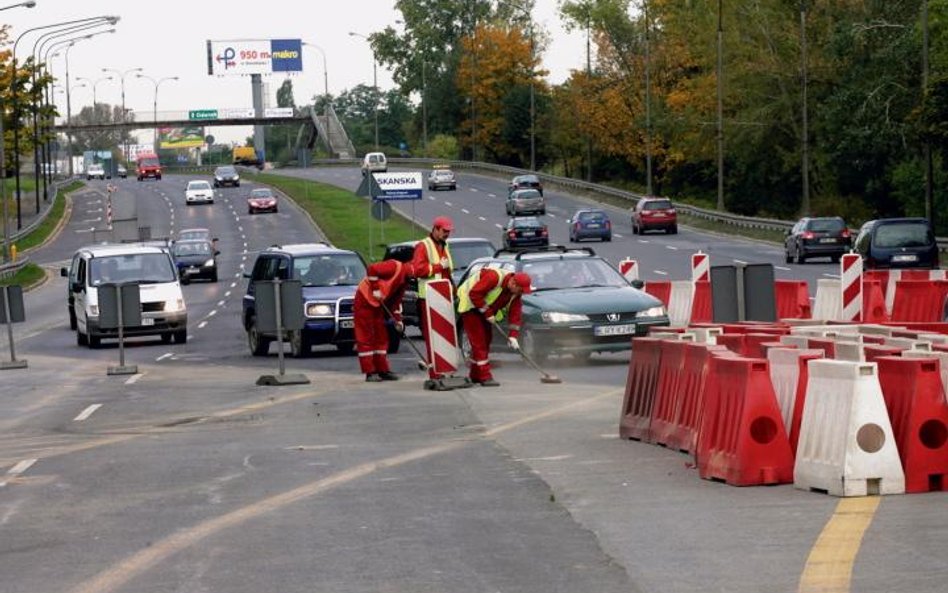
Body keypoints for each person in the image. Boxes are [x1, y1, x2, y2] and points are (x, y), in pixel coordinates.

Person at [456, 268, 532, 387]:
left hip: (484, 310)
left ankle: (475, 375)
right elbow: (474, 294)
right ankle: (485, 376)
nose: (520, 293)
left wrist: (513, 336)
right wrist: (487, 312)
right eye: (520, 290)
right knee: (479, 342)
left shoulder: (515, 293)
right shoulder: (493, 277)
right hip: (470, 307)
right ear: (513, 283)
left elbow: (515, 314)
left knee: (486, 340)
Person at [353, 259, 414, 382]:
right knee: (366, 337)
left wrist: (398, 320)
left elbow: (395, 302)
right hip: (365, 300)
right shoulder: (394, 266)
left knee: (381, 337)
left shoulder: (404, 281)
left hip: (378, 305)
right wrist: (375, 289)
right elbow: (372, 269)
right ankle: (370, 372)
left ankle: (382, 370)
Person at [411, 216, 454, 379]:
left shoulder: (444, 245)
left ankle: (443, 368)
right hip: (429, 297)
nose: (447, 234)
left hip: (443, 296)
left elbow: (447, 271)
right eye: (444, 231)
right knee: (433, 337)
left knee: (444, 335)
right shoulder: (424, 246)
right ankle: (435, 373)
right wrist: (438, 267)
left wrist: (453, 290)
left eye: (449, 232)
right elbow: (418, 270)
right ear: (435, 229)